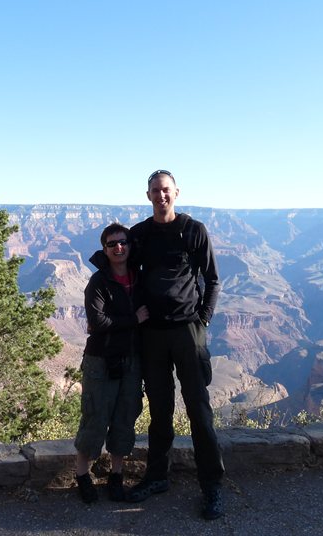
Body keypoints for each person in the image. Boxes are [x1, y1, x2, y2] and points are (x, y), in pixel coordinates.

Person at [126, 169, 224, 520]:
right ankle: (157, 477)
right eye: (155, 191)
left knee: (199, 409)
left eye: (166, 190)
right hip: (152, 333)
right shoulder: (139, 234)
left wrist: (204, 320)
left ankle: (212, 485)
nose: (161, 196)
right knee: (160, 409)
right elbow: (128, 274)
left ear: (176, 192)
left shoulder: (193, 229)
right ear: (148, 194)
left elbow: (212, 279)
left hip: (187, 330)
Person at [74, 223, 149, 504]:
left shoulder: (139, 278)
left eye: (123, 242)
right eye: (112, 244)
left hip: (131, 359)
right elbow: (97, 322)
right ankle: (82, 475)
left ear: (129, 245)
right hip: (101, 360)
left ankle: (116, 476)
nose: (118, 247)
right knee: (95, 419)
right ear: (104, 249)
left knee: (124, 419)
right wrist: (134, 320)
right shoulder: (98, 282)